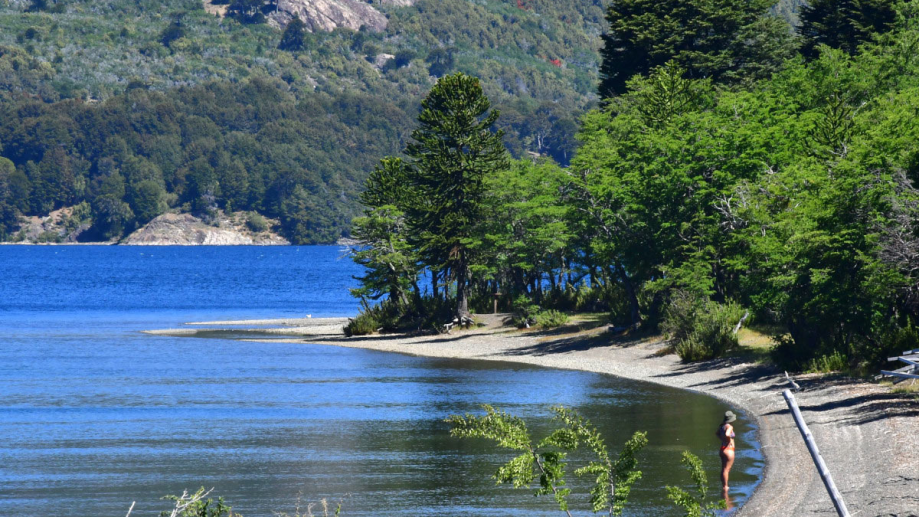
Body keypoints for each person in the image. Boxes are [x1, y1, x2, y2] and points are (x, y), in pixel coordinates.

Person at [716, 410, 736, 494]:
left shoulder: (721, 426)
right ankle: (726, 487)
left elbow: (717, 434)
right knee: (727, 469)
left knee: (724, 469)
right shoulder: (729, 426)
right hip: (729, 449)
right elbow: (728, 434)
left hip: (722, 449)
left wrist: (723, 439)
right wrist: (728, 441)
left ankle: (724, 486)